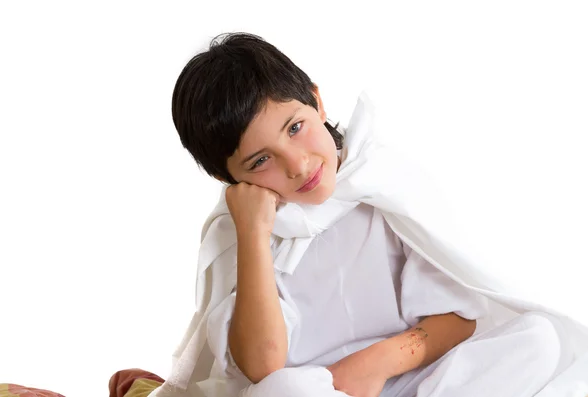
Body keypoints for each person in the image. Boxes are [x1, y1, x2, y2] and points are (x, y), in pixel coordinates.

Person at [158, 32, 570, 397]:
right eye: (261, 160)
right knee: (283, 389)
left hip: (411, 376)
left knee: (539, 339)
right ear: (226, 177)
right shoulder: (244, 233)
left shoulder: (381, 181)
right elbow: (263, 366)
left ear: (317, 102)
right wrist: (253, 232)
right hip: (317, 388)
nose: (298, 165)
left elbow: (458, 319)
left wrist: (377, 363)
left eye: (295, 128)